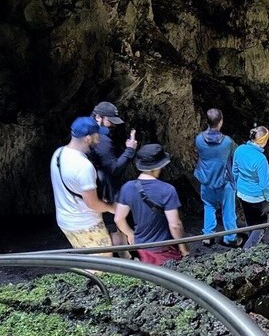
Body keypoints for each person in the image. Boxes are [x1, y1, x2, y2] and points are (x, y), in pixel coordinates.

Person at [49, 117, 116, 256]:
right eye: (97, 136)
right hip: (85, 224)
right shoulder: (83, 166)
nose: (98, 140)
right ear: (87, 139)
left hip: (65, 220)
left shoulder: (59, 153)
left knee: (87, 259)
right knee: (103, 264)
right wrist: (112, 208)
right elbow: (92, 204)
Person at [114, 144, 189, 265]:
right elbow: (175, 225)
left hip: (142, 247)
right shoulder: (167, 190)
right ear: (159, 165)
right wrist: (183, 248)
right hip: (164, 248)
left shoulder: (127, 187)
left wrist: (130, 234)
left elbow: (118, 218)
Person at [89, 101, 138, 255]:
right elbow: (113, 169)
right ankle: (124, 257)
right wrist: (130, 150)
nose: (112, 125)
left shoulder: (88, 133)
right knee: (115, 222)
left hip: (96, 186)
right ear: (98, 117)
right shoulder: (100, 140)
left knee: (114, 222)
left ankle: (125, 256)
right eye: (110, 121)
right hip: (105, 187)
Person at [194, 108, 239, 247]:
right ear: (221, 122)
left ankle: (208, 236)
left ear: (206, 122)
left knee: (209, 206)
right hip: (224, 182)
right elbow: (237, 153)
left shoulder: (199, 139)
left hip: (206, 180)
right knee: (228, 210)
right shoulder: (227, 142)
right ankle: (230, 238)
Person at [232, 126, 269, 249]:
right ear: (264, 141)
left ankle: (253, 243)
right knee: (262, 224)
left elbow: (234, 171)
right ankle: (248, 249)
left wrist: (238, 187)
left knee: (250, 222)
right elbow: (264, 185)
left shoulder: (240, 149)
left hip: (242, 194)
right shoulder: (261, 160)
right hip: (257, 198)